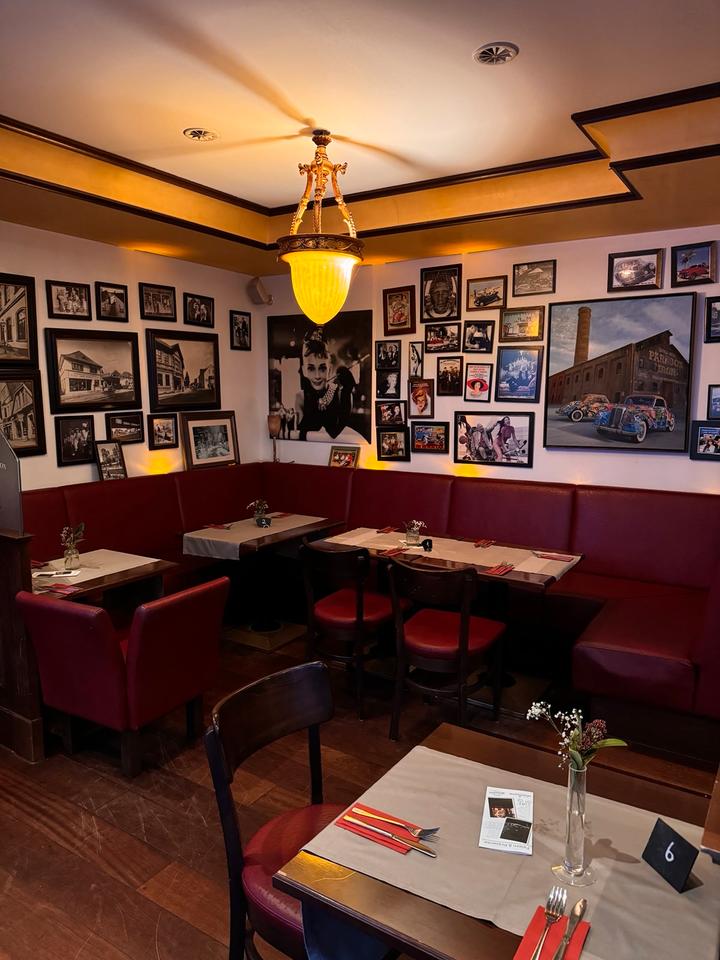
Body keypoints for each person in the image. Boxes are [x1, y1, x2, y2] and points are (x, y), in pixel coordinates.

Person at [296, 328, 358, 441]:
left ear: (329, 370)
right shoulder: (301, 397)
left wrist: (346, 391)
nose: (317, 376)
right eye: (311, 369)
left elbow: (337, 432)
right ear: (304, 371)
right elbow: (299, 434)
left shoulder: (340, 394)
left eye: (322, 368)